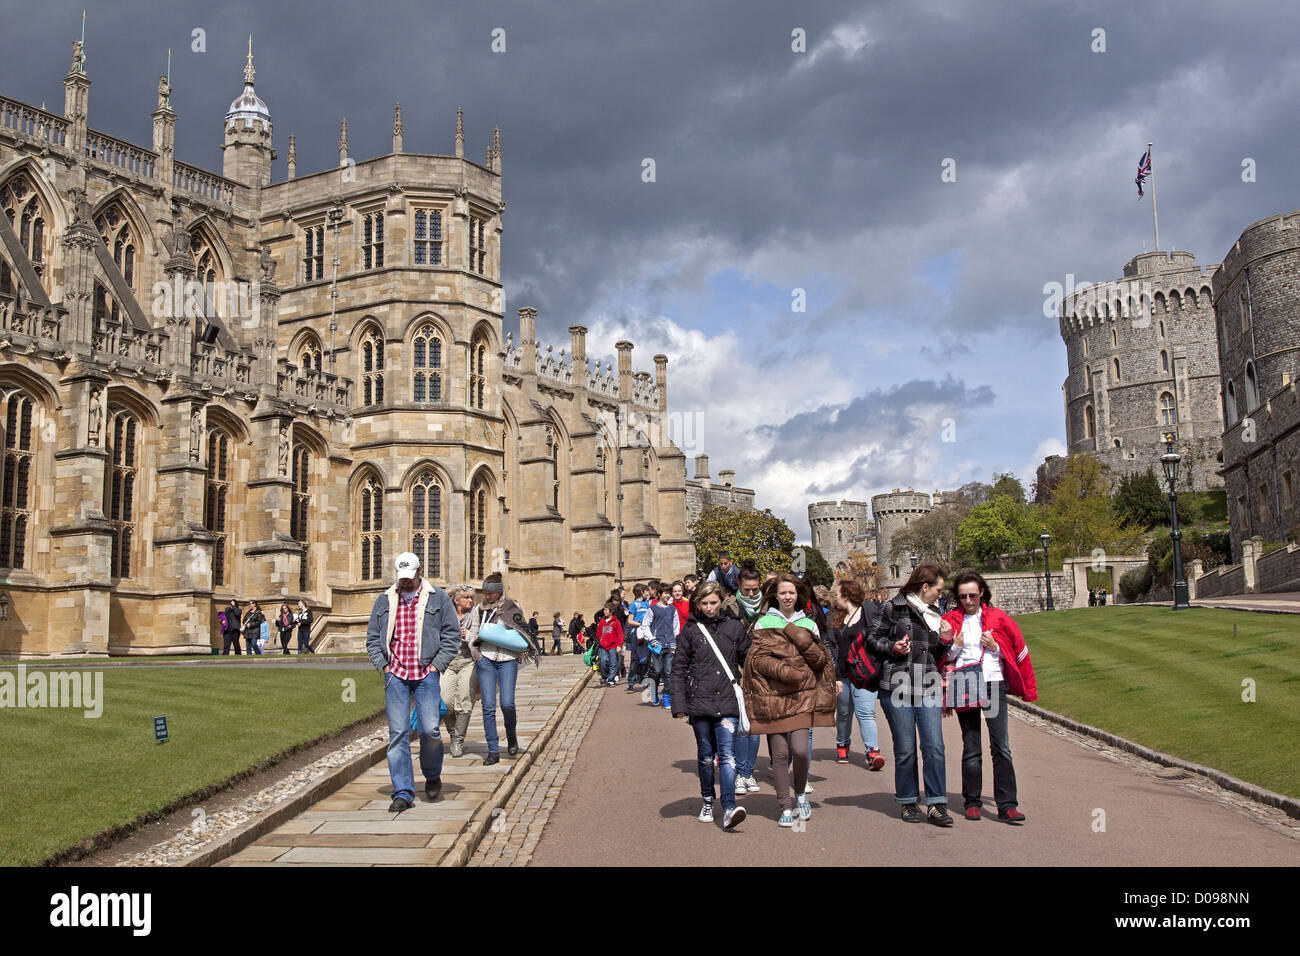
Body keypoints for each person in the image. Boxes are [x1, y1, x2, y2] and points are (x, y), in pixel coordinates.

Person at [365, 552, 461, 813]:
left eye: (410, 577)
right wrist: (384, 666)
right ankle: (403, 792)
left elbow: (452, 635)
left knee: (430, 730)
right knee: (398, 735)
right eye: (402, 578)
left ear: (420, 571)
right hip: (395, 674)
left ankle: (431, 775)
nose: (405, 583)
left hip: (426, 674)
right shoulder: (384, 600)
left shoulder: (438, 597)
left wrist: (436, 666)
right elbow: (373, 637)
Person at [942, 570, 1037, 823]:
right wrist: (955, 646)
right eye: (963, 596)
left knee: (1000, 745)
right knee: (971, 746)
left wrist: (995, 648)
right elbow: (943, 656)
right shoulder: (950, 619)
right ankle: (972, 801)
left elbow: (1017, 647)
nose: (968, 600)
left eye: (972, 595)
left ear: (982, 592)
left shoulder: (998, 617)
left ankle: (1007, 804)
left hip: (992, 683)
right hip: (964, 683)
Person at [741, 574, 835, 827]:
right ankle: (785, 805)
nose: (787, 596)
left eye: (791, 592)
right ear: (775, 596)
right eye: (783, 592)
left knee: (801, 750)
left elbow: (819, 661)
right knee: (780, 754)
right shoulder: (763, 623)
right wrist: (784, 670)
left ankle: (801, 790)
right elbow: (757, 662)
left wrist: (795, 634)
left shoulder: (809, 624)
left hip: (802, 697)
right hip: (773, 698)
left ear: (798, 595)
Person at [867, 563, 954, 827]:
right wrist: (892, 647)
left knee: (934, 747)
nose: (941, 595)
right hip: (897, 687)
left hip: (927, 685)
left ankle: (937, 803)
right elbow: (872, 638)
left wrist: (946, 641)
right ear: (924, 587)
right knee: (905, 749)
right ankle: (907, 801)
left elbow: (936, 654)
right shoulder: (892, 607)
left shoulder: (935, 613)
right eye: (938, 589)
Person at [671, 581, 751, 830]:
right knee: (706, 757)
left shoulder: (735, 628)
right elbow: (679, 668)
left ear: (721, 601)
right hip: (700, 702)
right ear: (698, 604)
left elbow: (749, 660)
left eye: (713, 603)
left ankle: (728, 807)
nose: (709, 607)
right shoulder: (691, 630)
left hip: (727, 700)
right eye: (704, 603)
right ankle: (708, 800)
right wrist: (679, 703)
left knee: (727, 757)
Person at [467, 571, 541, 764]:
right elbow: (473, 632)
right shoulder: (478, 609)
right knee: (488, 706)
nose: (487, 596)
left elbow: (521, 629)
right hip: (486, 659)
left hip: (507, 659)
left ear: (499, 592)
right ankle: (492, 750)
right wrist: (476, 654)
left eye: (490, 593)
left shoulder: (512, 606)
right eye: (485, 592)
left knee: (507, 703)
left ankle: (511, 735)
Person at [831, 577, 885, 770]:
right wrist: (835, 675)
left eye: (837, 594)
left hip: (865, 674)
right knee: (844, 712)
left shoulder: (868, 612)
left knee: (866, 713)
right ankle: (842, 742)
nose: (834, 598)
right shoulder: (836, 618)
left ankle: (873, 751)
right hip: (843, 675)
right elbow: (833, 648)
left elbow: (878, 637)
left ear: (846, 596)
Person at [731, 561, 765, 796]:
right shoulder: (728, 607)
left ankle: (747, 772)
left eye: (754, 589)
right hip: (736, 672)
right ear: (739, 585)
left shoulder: (769, 606)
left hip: (762, 673)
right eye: (746, 589)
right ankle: (737, 773)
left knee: (755, 726)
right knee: (739, 725)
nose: (751, 593)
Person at [443, 586, 480, 757]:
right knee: (445, 701)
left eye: (472, 598)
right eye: (466, 597)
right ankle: (453, 733)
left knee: (465, 698)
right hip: (447, 661)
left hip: (468, 661)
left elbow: (482, 639)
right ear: (456, 600)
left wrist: (468, 636)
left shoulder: (476, 615)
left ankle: (458, 739)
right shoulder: (445, 614)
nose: (470, 601)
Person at [645, 582, 681, 708]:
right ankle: (654, 692)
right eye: (665, 593)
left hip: (670, 644)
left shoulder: (673, 609)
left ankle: (666, 696)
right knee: (657, 671)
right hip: (657, 645)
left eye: (669, 593)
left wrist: (676, 642)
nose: (668, 595)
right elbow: (645, 625)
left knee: (669, 672)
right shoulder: (652, 609)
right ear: (659, 594)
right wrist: (652, 640)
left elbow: (676, 627)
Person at [596, 603, 624, 686]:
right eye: (604, 609)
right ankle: (605, 677)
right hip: (603, 646)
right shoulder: (602, 621)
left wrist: (619, 645)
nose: (604, 611)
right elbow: (598, 632)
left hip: (613, 646)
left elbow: (620, 634)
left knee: (613, 663)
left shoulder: (616, 622)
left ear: (611, 612)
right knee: (603, 662)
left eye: (606, 610)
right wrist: (601, 641)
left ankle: (611, 679)